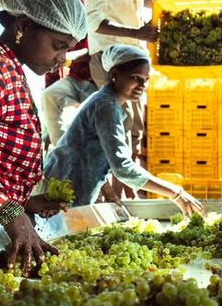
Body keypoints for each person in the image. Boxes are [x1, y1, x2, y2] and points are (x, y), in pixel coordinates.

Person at [0, 0, 88, 276]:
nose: (62, 60)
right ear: (23, 25)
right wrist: (9, 211)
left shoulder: (9, 65)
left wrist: (23, 202)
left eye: (67, 50)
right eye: (58, 46)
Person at [43, 44, 204, 217]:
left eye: (146, 79)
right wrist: (176, 193)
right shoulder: (106, 106)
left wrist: (109, 193)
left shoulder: (108, 102)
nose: (142, 85)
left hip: (68, 186)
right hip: (61, 190)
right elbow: (122, 167)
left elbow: (95, 153)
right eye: (135, 77)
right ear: (114, 75)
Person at [85, 0, 158, 160]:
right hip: (109, 56)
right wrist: (137, 31)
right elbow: (92, 20)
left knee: (135, 127)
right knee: (116, 127)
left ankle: (130, 193)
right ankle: (112, 193)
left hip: (136, 53)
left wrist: (163, 7)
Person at [41, 38, 97, 146]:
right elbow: (51, 76)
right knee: (49, 94)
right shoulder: (60, 35)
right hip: (75, 81)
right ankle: (60, 149)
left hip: (97, 83)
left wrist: (67, 58)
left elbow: (91, 52)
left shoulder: (90, 29)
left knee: (79, 117)